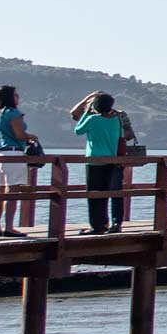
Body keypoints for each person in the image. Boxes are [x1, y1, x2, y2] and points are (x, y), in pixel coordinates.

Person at [0, 86, 39, 237]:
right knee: (13, 191)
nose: (18, 97)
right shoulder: (14, 113)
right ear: (10, 97)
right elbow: (19, 134)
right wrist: (31, 136)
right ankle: (9, 227)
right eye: (16, 95)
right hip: (12, 154)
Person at [70, 92, 124, 234]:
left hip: (94, 160)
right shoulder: (116, 120)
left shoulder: (93, 119)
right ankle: (105, 224)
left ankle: (96, 226)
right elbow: (121, 136)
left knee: (93, 195)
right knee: (105, 194)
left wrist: (87, 113)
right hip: (111, 160)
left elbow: (78, 130)